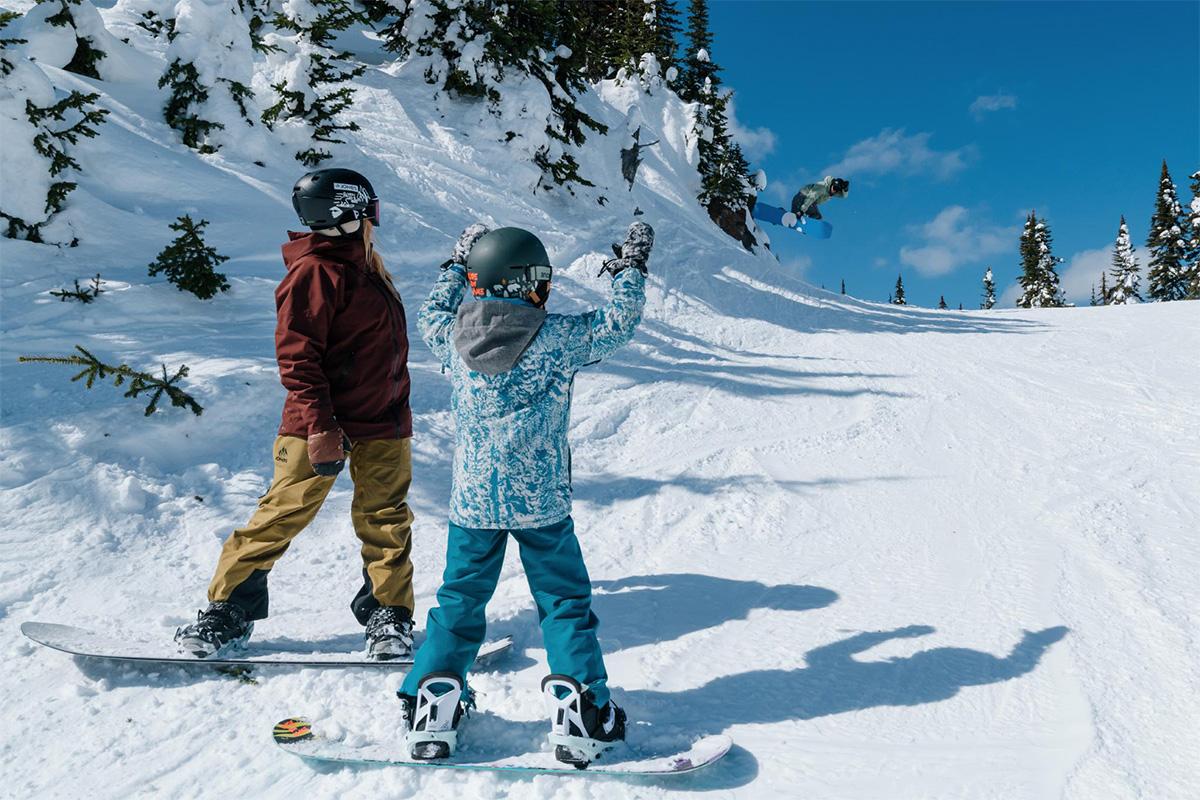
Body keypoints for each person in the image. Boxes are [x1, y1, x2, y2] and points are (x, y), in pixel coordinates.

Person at [396, 221, 654, 767]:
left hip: (472, 505)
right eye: (541, 279)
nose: (546, 289)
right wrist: (630, 267)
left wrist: (453, 262)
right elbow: (618, 322)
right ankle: (581, 712)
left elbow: (429, 313)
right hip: (541, 504)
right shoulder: (555, 338)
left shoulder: (451, 335)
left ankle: (433, 704)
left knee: (459, 600)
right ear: (526, 282)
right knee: (563, 603)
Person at [174, 168, 419, 662]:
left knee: (386, 521)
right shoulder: (315, 272)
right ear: (349, 212)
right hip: (322, 424)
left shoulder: (363, 263)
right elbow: (297, 358)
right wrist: (321, 425)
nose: (373, 216)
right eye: (367, 208)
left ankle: (388, 614)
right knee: (282, 512)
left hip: (384, 422)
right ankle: (226, 610)